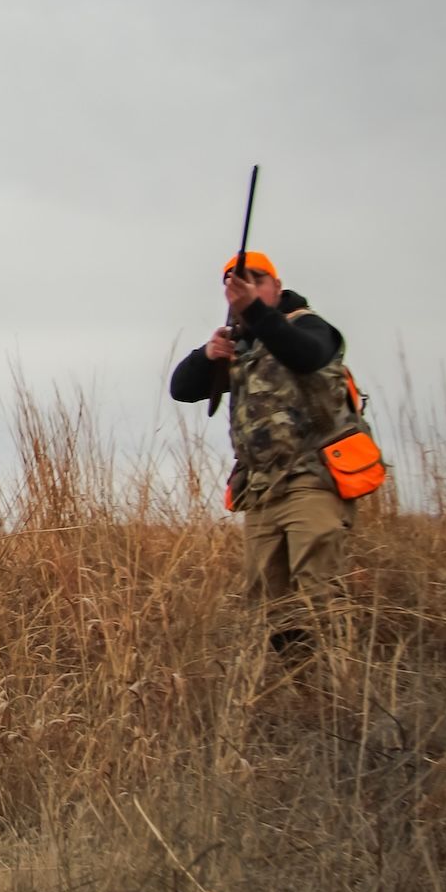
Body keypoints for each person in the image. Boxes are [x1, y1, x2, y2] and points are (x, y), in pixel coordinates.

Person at [169, 252, 358, 652]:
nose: (247, 285)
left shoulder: (309, 326)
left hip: (313, 479)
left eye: (258, 278)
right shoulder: (239, 343)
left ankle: (342, 696)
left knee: (320, 593)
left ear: (277, 285)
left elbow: (305, 354)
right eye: (238, 281)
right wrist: (208, 354)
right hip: (260, 491)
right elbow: (182, 389)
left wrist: (253, 311)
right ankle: (300, 690)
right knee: (273, 605)